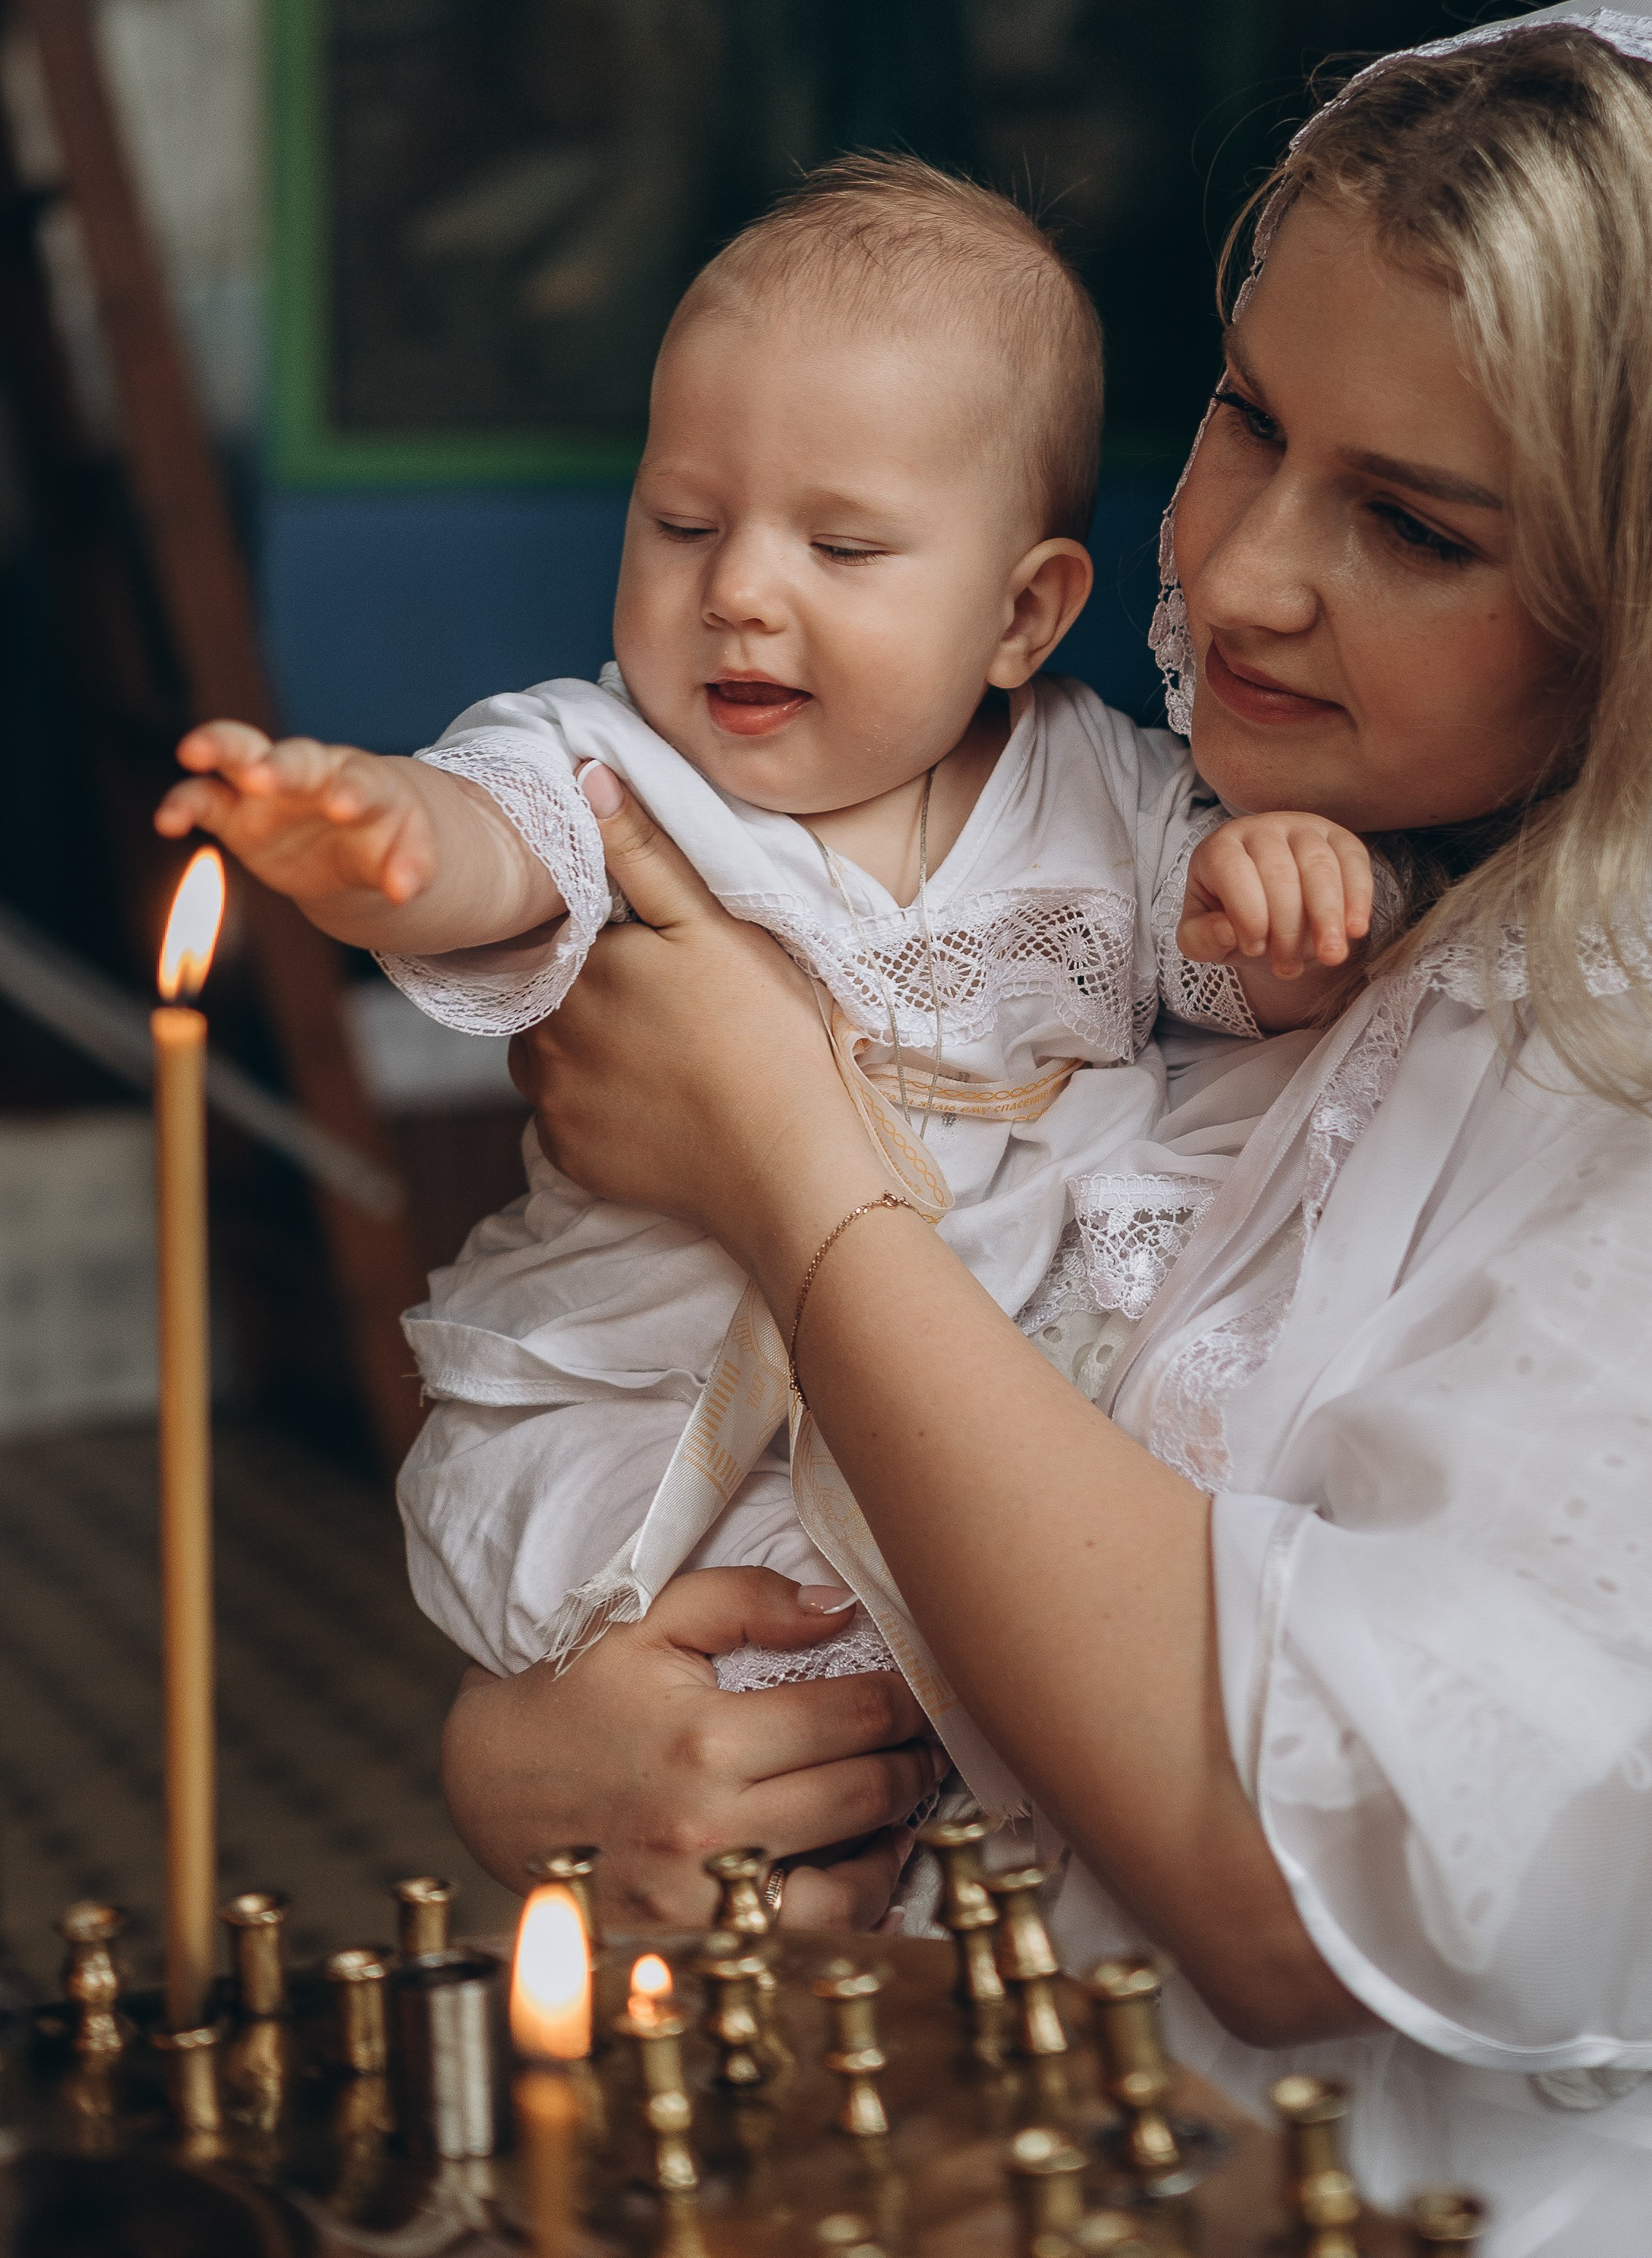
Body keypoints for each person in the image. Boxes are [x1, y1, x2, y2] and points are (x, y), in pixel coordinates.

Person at [437, 4, 1652, 2258]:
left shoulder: (1639, 1058)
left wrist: (794, 1165)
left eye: (1418, 525)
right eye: (1245, 418)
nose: (1233, 570)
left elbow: (1291, 1858)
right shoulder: (1224, 877)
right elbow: (994, 1526)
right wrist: (577, 1754)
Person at [157, 160, 1374, 1809]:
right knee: (725, 1717)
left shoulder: (1115, 795)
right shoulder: (618, 758)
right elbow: (497, 840)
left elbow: (1244, 989)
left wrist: (1279, 911)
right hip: (676, 1388)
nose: (737, 587)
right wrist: (373, 829)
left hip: (994, 1398)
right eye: (683, 522)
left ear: (1022, 613)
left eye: (841, 543)